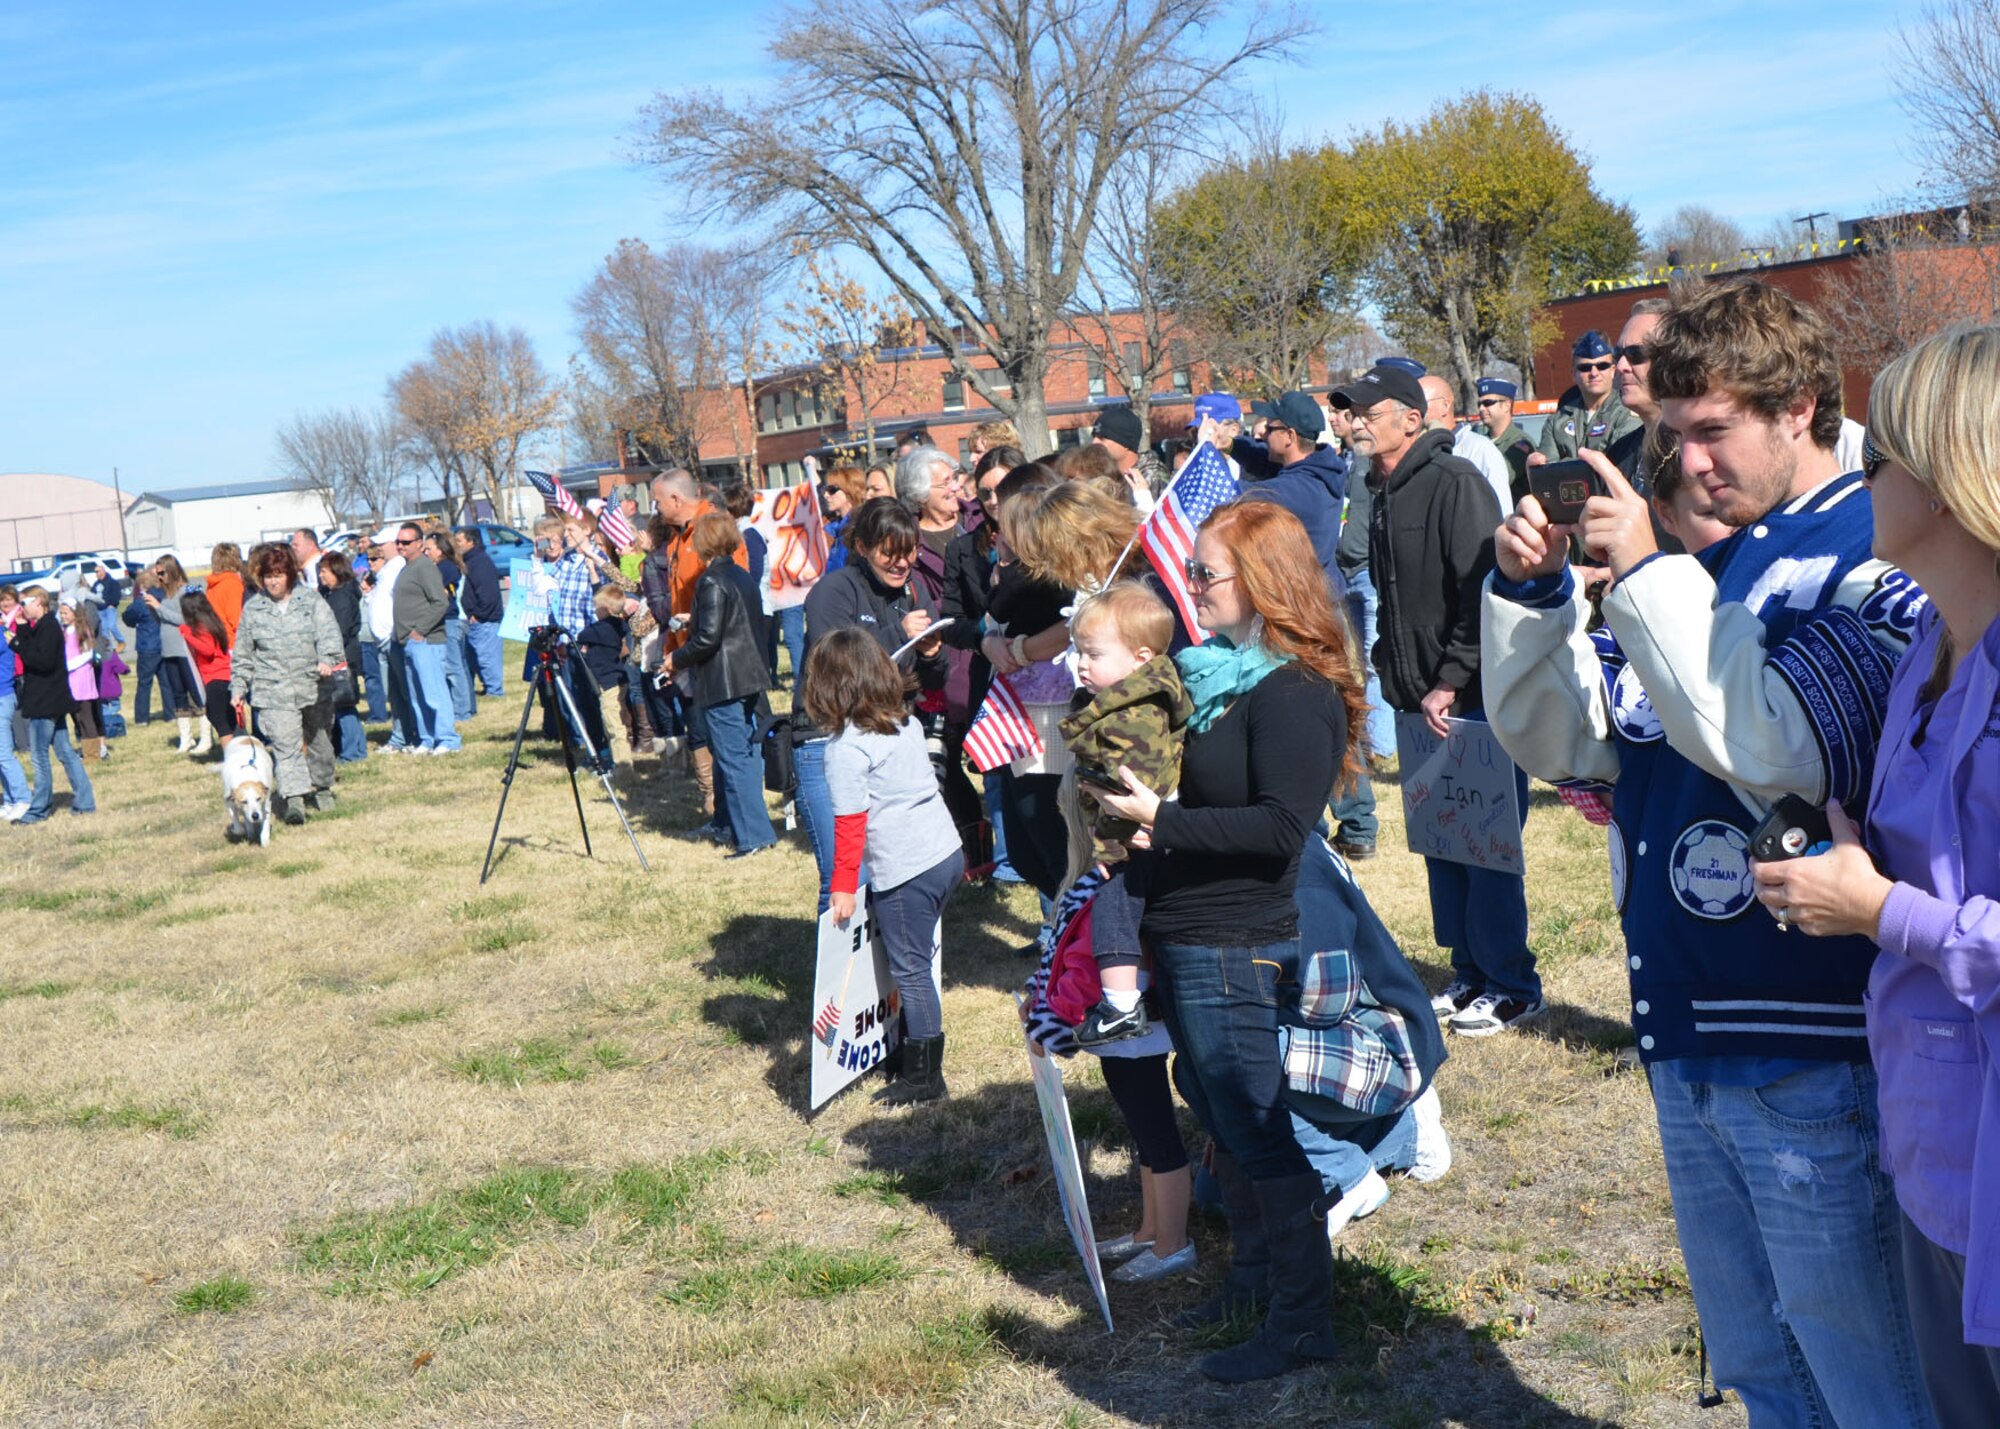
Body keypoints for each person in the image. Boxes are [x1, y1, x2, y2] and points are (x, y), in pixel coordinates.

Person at [1482, 276, 1934, 1425]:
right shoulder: (1710, 557)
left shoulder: (1869, 550)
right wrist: (1529, 601)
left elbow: (1776, 744)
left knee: (1868, 1373)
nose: (1682, 464)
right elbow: (1576, 742)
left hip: (1812, 1039)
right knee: (1762, 1368)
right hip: (1686, 1020)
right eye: (1664, 436)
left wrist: (1641, 571)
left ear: (1798, 408)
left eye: (1708, 431)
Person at [1746, 325, 2000, 1423]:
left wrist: (1881, 909)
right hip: (1928, 1130)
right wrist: (1840, 862)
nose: (1856, 479)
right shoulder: (1922, 655)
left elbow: (1924, 912)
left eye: (1872, 456)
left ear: (1947, 479)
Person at [1092, 500, 1368, 1383]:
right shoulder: (1214, 679)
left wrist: (1160, 820)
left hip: (1235, 937)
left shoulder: (1294, 691)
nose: (1192, 585)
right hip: (1188, 929)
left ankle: (1302, 1323)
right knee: (1214, 1111)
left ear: (1261, 581)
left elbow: (1281, 828)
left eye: (1207, 571)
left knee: (1253, 1127)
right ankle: (1252, 1282)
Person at [1334, 360, 1540, 1035]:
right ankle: (1471, 970)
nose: (1356, 420)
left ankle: (1512, 982)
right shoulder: (1381, 486)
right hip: (1416, 699)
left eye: (1368, 410)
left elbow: (1482, 589)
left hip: (1468, 698)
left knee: (1486, 844)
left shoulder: (1457, 482)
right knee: (1443, 841)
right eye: (1353, 411)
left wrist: (1452, 676)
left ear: (1412, 420)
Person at [804, 628, 964, 1104]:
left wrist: (842, 887)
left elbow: (850, 827)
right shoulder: (905, 723)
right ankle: (904, 1044)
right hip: (945, 854)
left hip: (907, 869)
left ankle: (925, 1075)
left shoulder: (845, 750)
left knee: (910, 968)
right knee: (913, 958)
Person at [796, 498, 948, 914]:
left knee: (891, 869)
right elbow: (836, 669)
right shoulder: (834, 591)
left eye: (910, 551)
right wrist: (898, 634)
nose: (902, 562)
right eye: (890, 552)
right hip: (828, 740)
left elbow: (930, 682)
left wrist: (933, 655)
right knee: (847, 877)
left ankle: (887, 975)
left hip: (888, 742)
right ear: (861, 547)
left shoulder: (914, 591)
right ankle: (839, 978)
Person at [1062, 582, 1190, 1045]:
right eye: (1079, 651)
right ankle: (1150, 990)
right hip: (1153, 834)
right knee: (1145, 914)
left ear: (1139, 658)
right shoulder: (1135, 701)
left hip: (1138, 836)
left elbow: (1132, 787)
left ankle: (1120, 1005)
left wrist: (1110, 845)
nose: (1081, 663)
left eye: (1093, 654)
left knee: (1115, 906)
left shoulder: (1132, 716)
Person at [668, 512, 776, 857]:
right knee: (742, 755)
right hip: (747, 678)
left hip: (725, 681)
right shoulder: (740, 575)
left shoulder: (711, 580)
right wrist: (694, 618)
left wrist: (675, 659)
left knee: (734, 759)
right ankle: (733, 826)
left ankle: (754, 836)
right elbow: (733, 623)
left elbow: (708, 640)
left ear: (704, 542)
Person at [232, 545, 343, 823]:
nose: (273, 581)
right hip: (273, 690)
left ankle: (323, 786)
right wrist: (238, 687)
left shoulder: (311, 602)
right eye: (268, 576)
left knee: (320, 742)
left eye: (279, 575)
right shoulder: (254, 608)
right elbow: (243, 652)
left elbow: (329, 633)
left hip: (313, 685)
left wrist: (327, 659)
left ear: (290, 576)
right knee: (286, 746)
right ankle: (295, 799)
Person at [6, 586, 95, 823]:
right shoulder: (40, 627)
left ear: (40, 603)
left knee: (39, 756)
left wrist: (16, 643)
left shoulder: (49, 628)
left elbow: (41, 661)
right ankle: (85, 802)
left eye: (25, 603)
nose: (21, 608)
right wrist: (23, 628)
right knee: (66, 752)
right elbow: (32, 649)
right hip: (50, 700)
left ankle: (39, 810)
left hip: (46, 702)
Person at [392, 523, 460, 756]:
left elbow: (440, 602)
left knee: (434, 693)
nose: (400, 546)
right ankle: (427, 738)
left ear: (419, 544)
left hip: (426, 641)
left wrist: (420, 630)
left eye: (406, 542)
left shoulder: (425, 567)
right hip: (407, 642)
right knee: (417, 696)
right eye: (398, 542)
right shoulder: (407, 567)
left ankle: (448, 739)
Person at [147, 589, 236, 750]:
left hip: (215, 679)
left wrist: (187, 634)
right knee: (225, 719)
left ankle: (230, 756)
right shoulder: (213, 623)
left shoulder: (201, 628)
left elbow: (208, 650)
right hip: (224, 676)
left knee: (221, 722)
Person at [1534, 330, 1641, 463]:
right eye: (1585, 368)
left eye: (1602, 366)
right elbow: (1547, 471)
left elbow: (1617, 466)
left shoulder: (1626, 414)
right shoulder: (1557, 421)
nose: (1594, 373)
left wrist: (1565, 465)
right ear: (1573, 374)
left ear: (1613, 371)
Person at [1421, 375, 1511, 521]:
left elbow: (1501, 511)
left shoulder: (1479, 450)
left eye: (1420, 403)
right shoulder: (1415, 452)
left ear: (1445, 406)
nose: (1413, 410)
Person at [578, 585, 637, 776]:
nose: (594, 611)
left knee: (614, 725)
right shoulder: (620, 625)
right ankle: (616, 761)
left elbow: (581, 635)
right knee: (615, 722)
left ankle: (623, 767)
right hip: (617, 679)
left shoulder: (600, 629)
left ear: (603, 609)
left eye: (596, 608)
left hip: (608, 683)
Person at [316, 552, 368, 763]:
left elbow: (340, 629)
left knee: (344, 704)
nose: (321, 576)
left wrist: (329, 654)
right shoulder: (333, 594)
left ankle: (353, 751)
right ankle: (349, 749)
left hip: (342, 656)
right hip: (341, 654)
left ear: (337, 571)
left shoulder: (342, 597)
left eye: (324, 571)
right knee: (340, 705)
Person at [151, 557, 206, 753]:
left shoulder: (185, 592)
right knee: (178, 694)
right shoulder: (166, 595)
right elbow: (164, 620)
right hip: (168, 651)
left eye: (162, 573)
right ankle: (186, 738)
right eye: (157, 574)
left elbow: (186, 619)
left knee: (196, 693)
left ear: (172, 571)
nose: (159, 577)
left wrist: (160, 608)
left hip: (185, 650)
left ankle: (206, 737)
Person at [424, 532, 475, 723]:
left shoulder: (445, 567)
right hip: (451, 621)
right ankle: (466, 709)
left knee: (453, 668)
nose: (426, 552)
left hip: (451, 621)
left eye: (429, 548)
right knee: (458, 666)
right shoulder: (443, 566)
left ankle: (462, 712)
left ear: (440, 549)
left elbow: (440, 593)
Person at [453, 528, 505, 697]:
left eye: (459, 541)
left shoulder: (480, 562)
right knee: (476, 658)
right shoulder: (469, 561)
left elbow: (487, 593)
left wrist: (479, 615)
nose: (456, 544)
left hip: (486, 620)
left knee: (487, 657)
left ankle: (495, 690)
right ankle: (488, 687)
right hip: (474, 620)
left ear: (471, 542)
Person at [1473, 378, 1537, 507]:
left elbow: (1498, 478)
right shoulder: (1479, 441)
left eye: (1488, 403)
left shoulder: (1520, 443)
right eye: (1479, 404)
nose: (1481, 409)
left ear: (1507, 405)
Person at [1091, 404, 1165, 508]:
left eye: (1102, 438)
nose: (1094, 442)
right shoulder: (1100, 474)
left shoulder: (1152, 478)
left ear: (1125, 443)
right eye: (1094, 436)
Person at [59, 603, 106, 760]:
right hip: (70, 680)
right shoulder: (65, 631)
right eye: (61, 613)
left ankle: (93, 753)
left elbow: (88, 654)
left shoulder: (82, 630)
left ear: (75, 613)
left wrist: (69, 665)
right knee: (77, 718)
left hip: (82, 678)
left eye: (66, 613)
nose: (63, 616)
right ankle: (86, 749)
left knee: (86, 717)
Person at [0, 586, 30, 820]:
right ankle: (10, 800)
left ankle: (23, 798)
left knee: (4, 754)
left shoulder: (3, 634)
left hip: (3, 697)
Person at [122, 570, 163, 726]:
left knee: (144, 683)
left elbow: (128, 617)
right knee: (165, 682)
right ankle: (171, 713)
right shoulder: (163, 596)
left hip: (148, 646)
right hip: (163, 644)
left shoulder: (142, 601)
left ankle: (141, 718)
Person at [820, 464, 866, 575]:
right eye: (825, 490)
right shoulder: (838, 528)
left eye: (831, 490)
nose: (826, 495)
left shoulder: (860, 527)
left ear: (849, 490)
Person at [205, 544, 247, 643]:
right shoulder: (232, 584)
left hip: (219, 640)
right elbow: (237, 620)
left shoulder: (212, 585)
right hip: (233, 642)